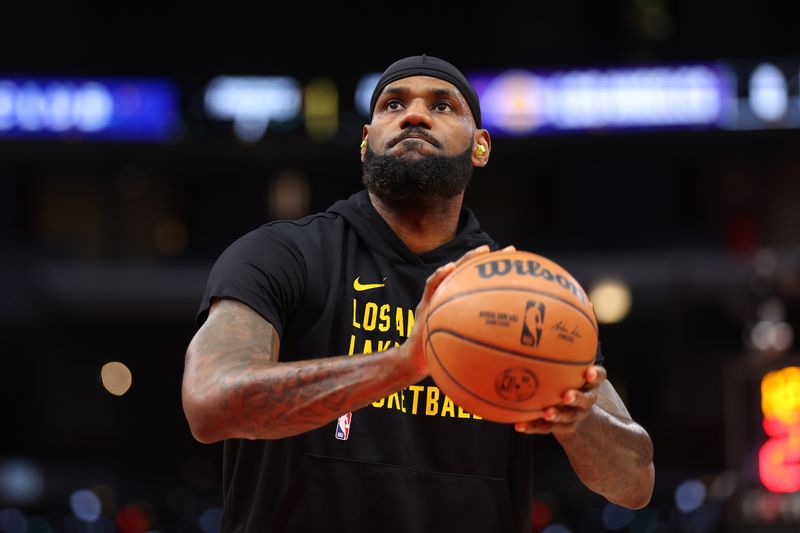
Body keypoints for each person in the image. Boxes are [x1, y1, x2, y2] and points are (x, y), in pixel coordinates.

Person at [181, 55, 655, 533]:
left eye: (443, 105)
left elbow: (635, 484)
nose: (414, 115)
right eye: (393, 104)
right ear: (366, 143)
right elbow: (209, 403)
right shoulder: (284, 254)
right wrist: (404, 363)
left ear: (481, 147)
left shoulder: (532, 294)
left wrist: (579, 425)